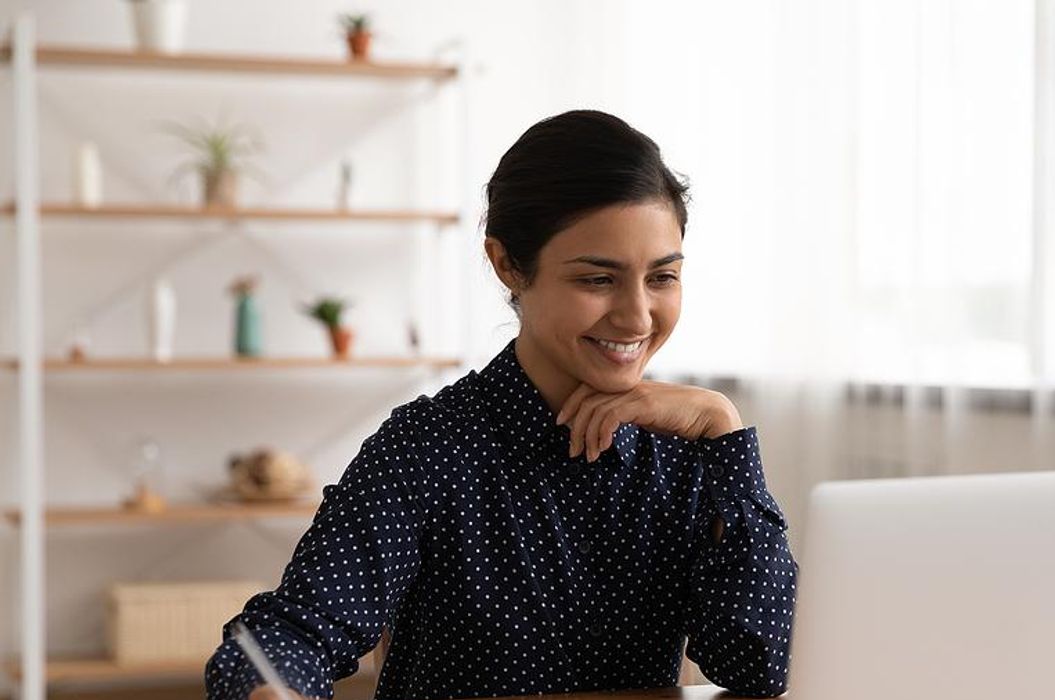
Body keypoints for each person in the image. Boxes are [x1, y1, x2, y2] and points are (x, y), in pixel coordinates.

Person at [204, 109, 797, 700]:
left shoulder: (687, 452)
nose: (638, 316)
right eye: (597, 280)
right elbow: (295, 633)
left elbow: (756, 667)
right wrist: (267, 686)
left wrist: (723, 428)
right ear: (508, 264)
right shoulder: (427, 448)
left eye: (662, 278)